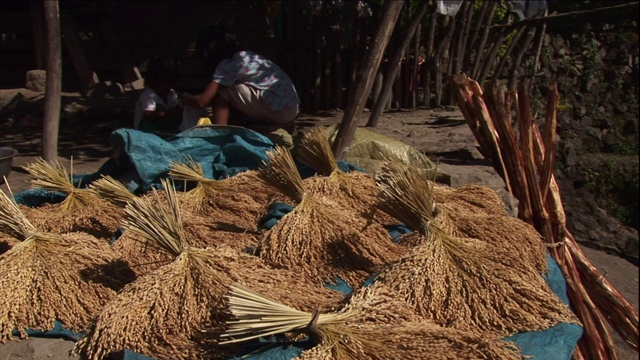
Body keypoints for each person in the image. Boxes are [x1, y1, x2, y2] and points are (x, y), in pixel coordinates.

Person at [180, 26, 300, 135]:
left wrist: (185, 100)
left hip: (280, 111)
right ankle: (239, 126)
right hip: (291, 108)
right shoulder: (248, 56)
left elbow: (202, 101)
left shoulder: (227, 65)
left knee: (221, 91)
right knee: (230, 87)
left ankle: (220, 133)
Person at [133, 56, 183, 134]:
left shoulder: (171, 94)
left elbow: (177, 110)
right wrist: (170, 112)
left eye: (171, 82)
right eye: (164, 83)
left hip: (165, 132)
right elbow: (149, 114)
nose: (167, 86)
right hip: (146, 133)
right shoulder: (148, 95)